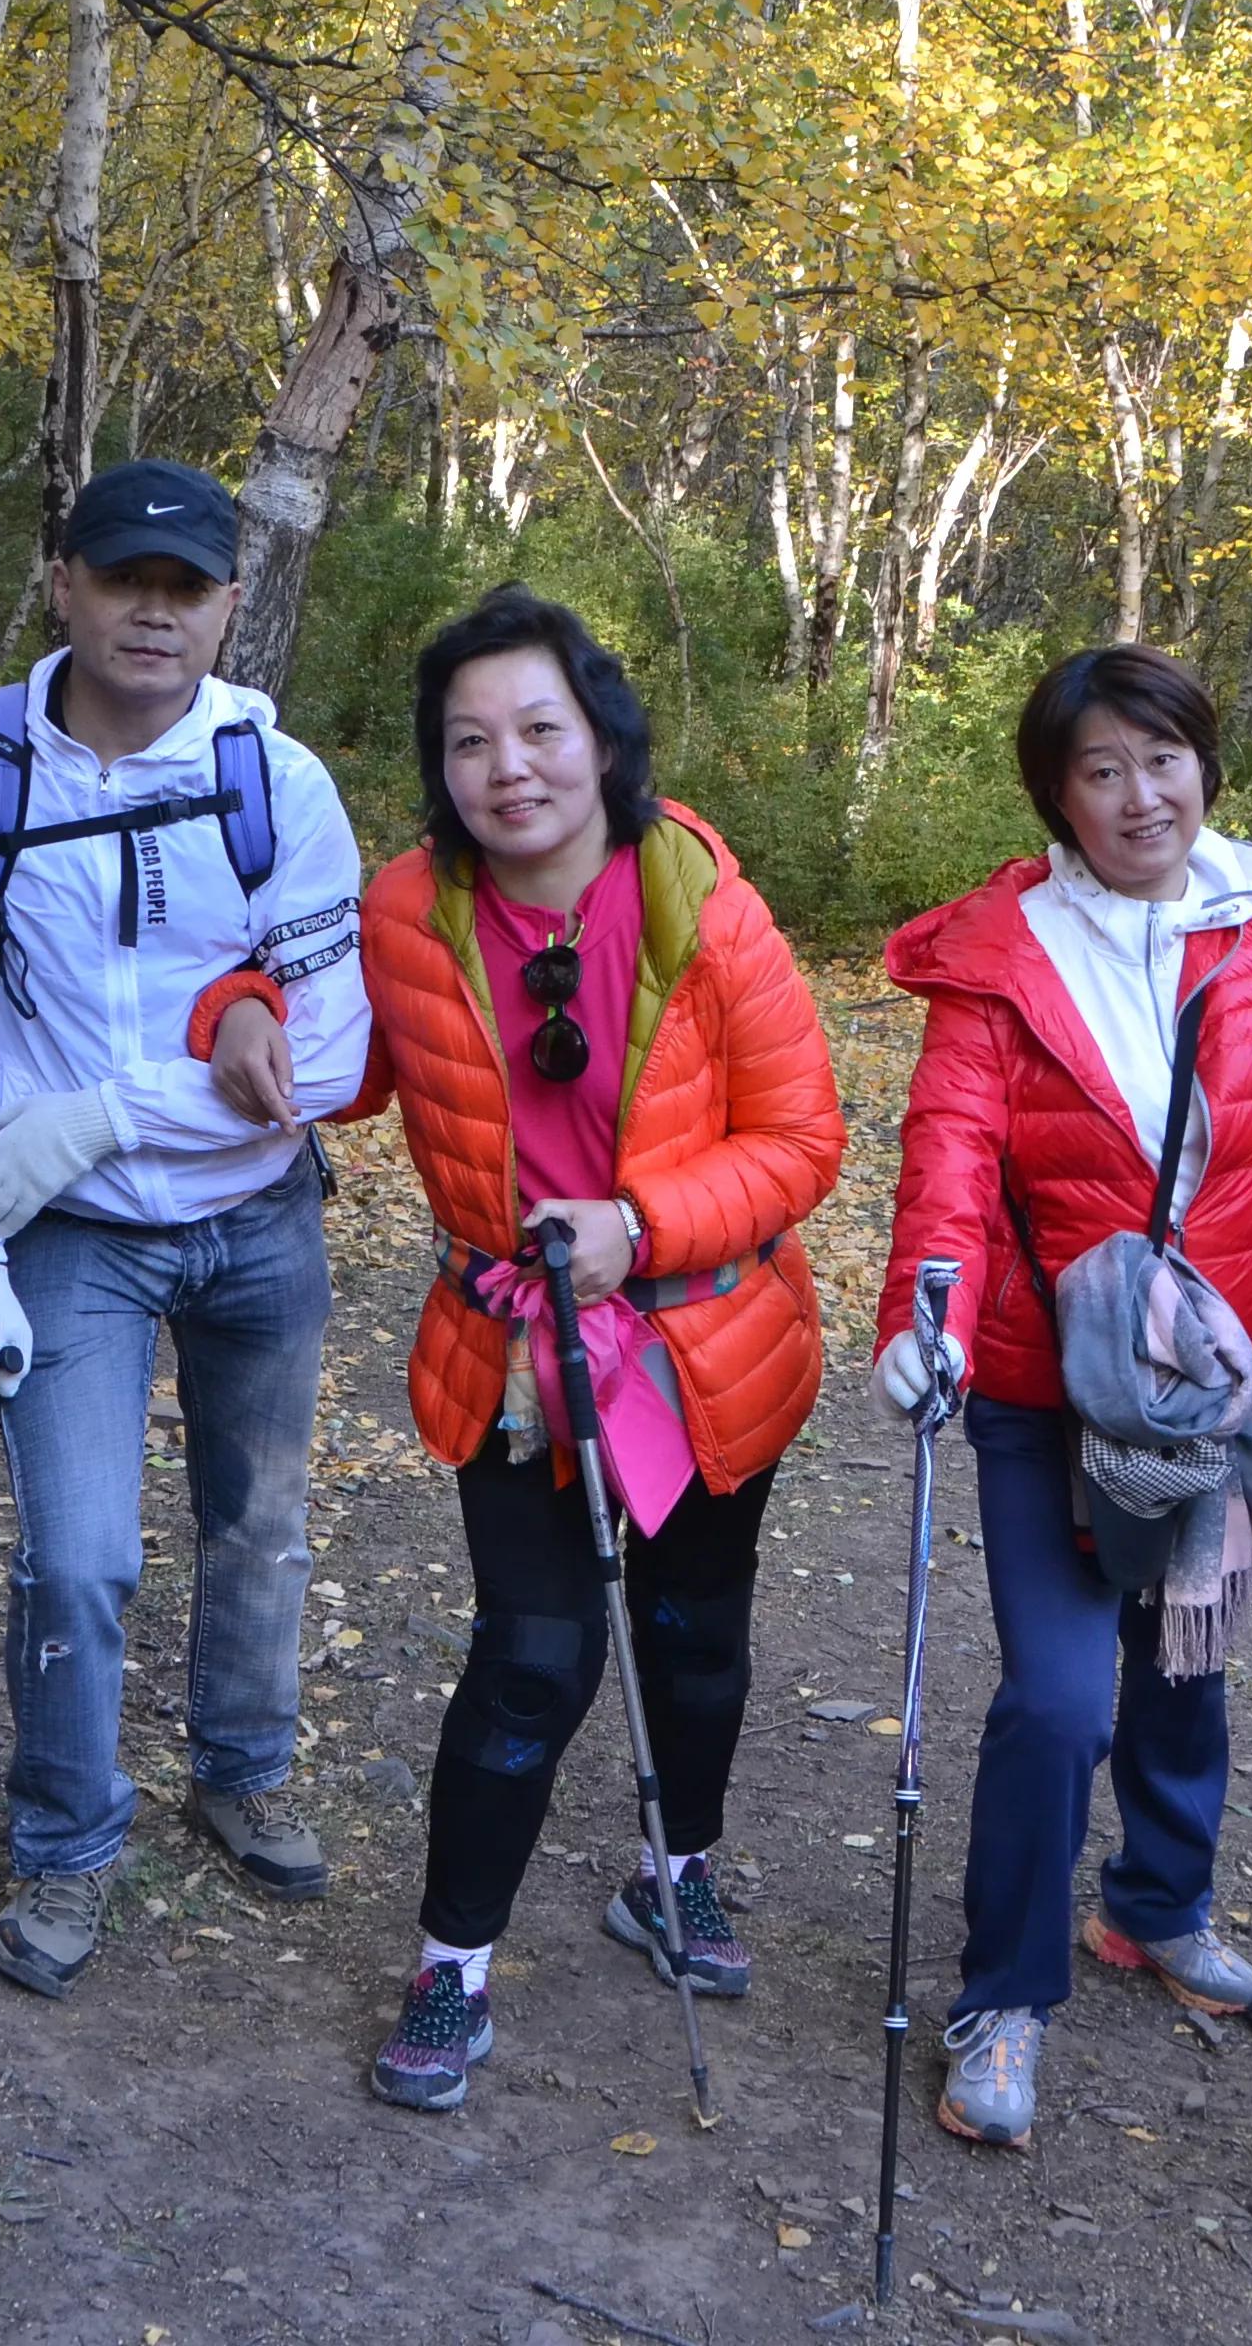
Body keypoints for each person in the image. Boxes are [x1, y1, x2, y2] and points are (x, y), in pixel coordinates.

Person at [0, 458, 370, 1995]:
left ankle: (241, 1768)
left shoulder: (279, 784)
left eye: (190, 584)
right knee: (78, 1557)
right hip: (65, 1234)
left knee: (262, 1528)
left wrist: (104, 1108)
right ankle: (68, 1842)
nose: (156, 608)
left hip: (258, 1220)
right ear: (64, 581)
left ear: (231, 602)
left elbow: (333, 1058)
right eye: (124, 576)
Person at [339, 588, 845, 2109]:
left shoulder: (709, 907)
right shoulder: (404, 914)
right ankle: (453, 1968)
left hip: (704, 1340)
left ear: (602, 738)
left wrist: (642, 1221)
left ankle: (672, 1872)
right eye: (471, 740)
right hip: (512, 1354)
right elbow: (322, 1049)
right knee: (533, 1658)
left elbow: (805, 1139)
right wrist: (238, 1005)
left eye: (541, 729)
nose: (512, 768)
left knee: (696, 1645)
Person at [873, 642, 1252, 2152]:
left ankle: (1158, 1902)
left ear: (1205, 765)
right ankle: (1003, 1996)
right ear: (1057, 797)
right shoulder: (999, 961)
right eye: (1102, 769)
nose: (1139, 793)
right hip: (1048, 1390)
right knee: (1060, 1698)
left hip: (1226, 1393)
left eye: (1163, 759)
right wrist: (920, 1318)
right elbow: (949, 1161)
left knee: (1186, 1662)